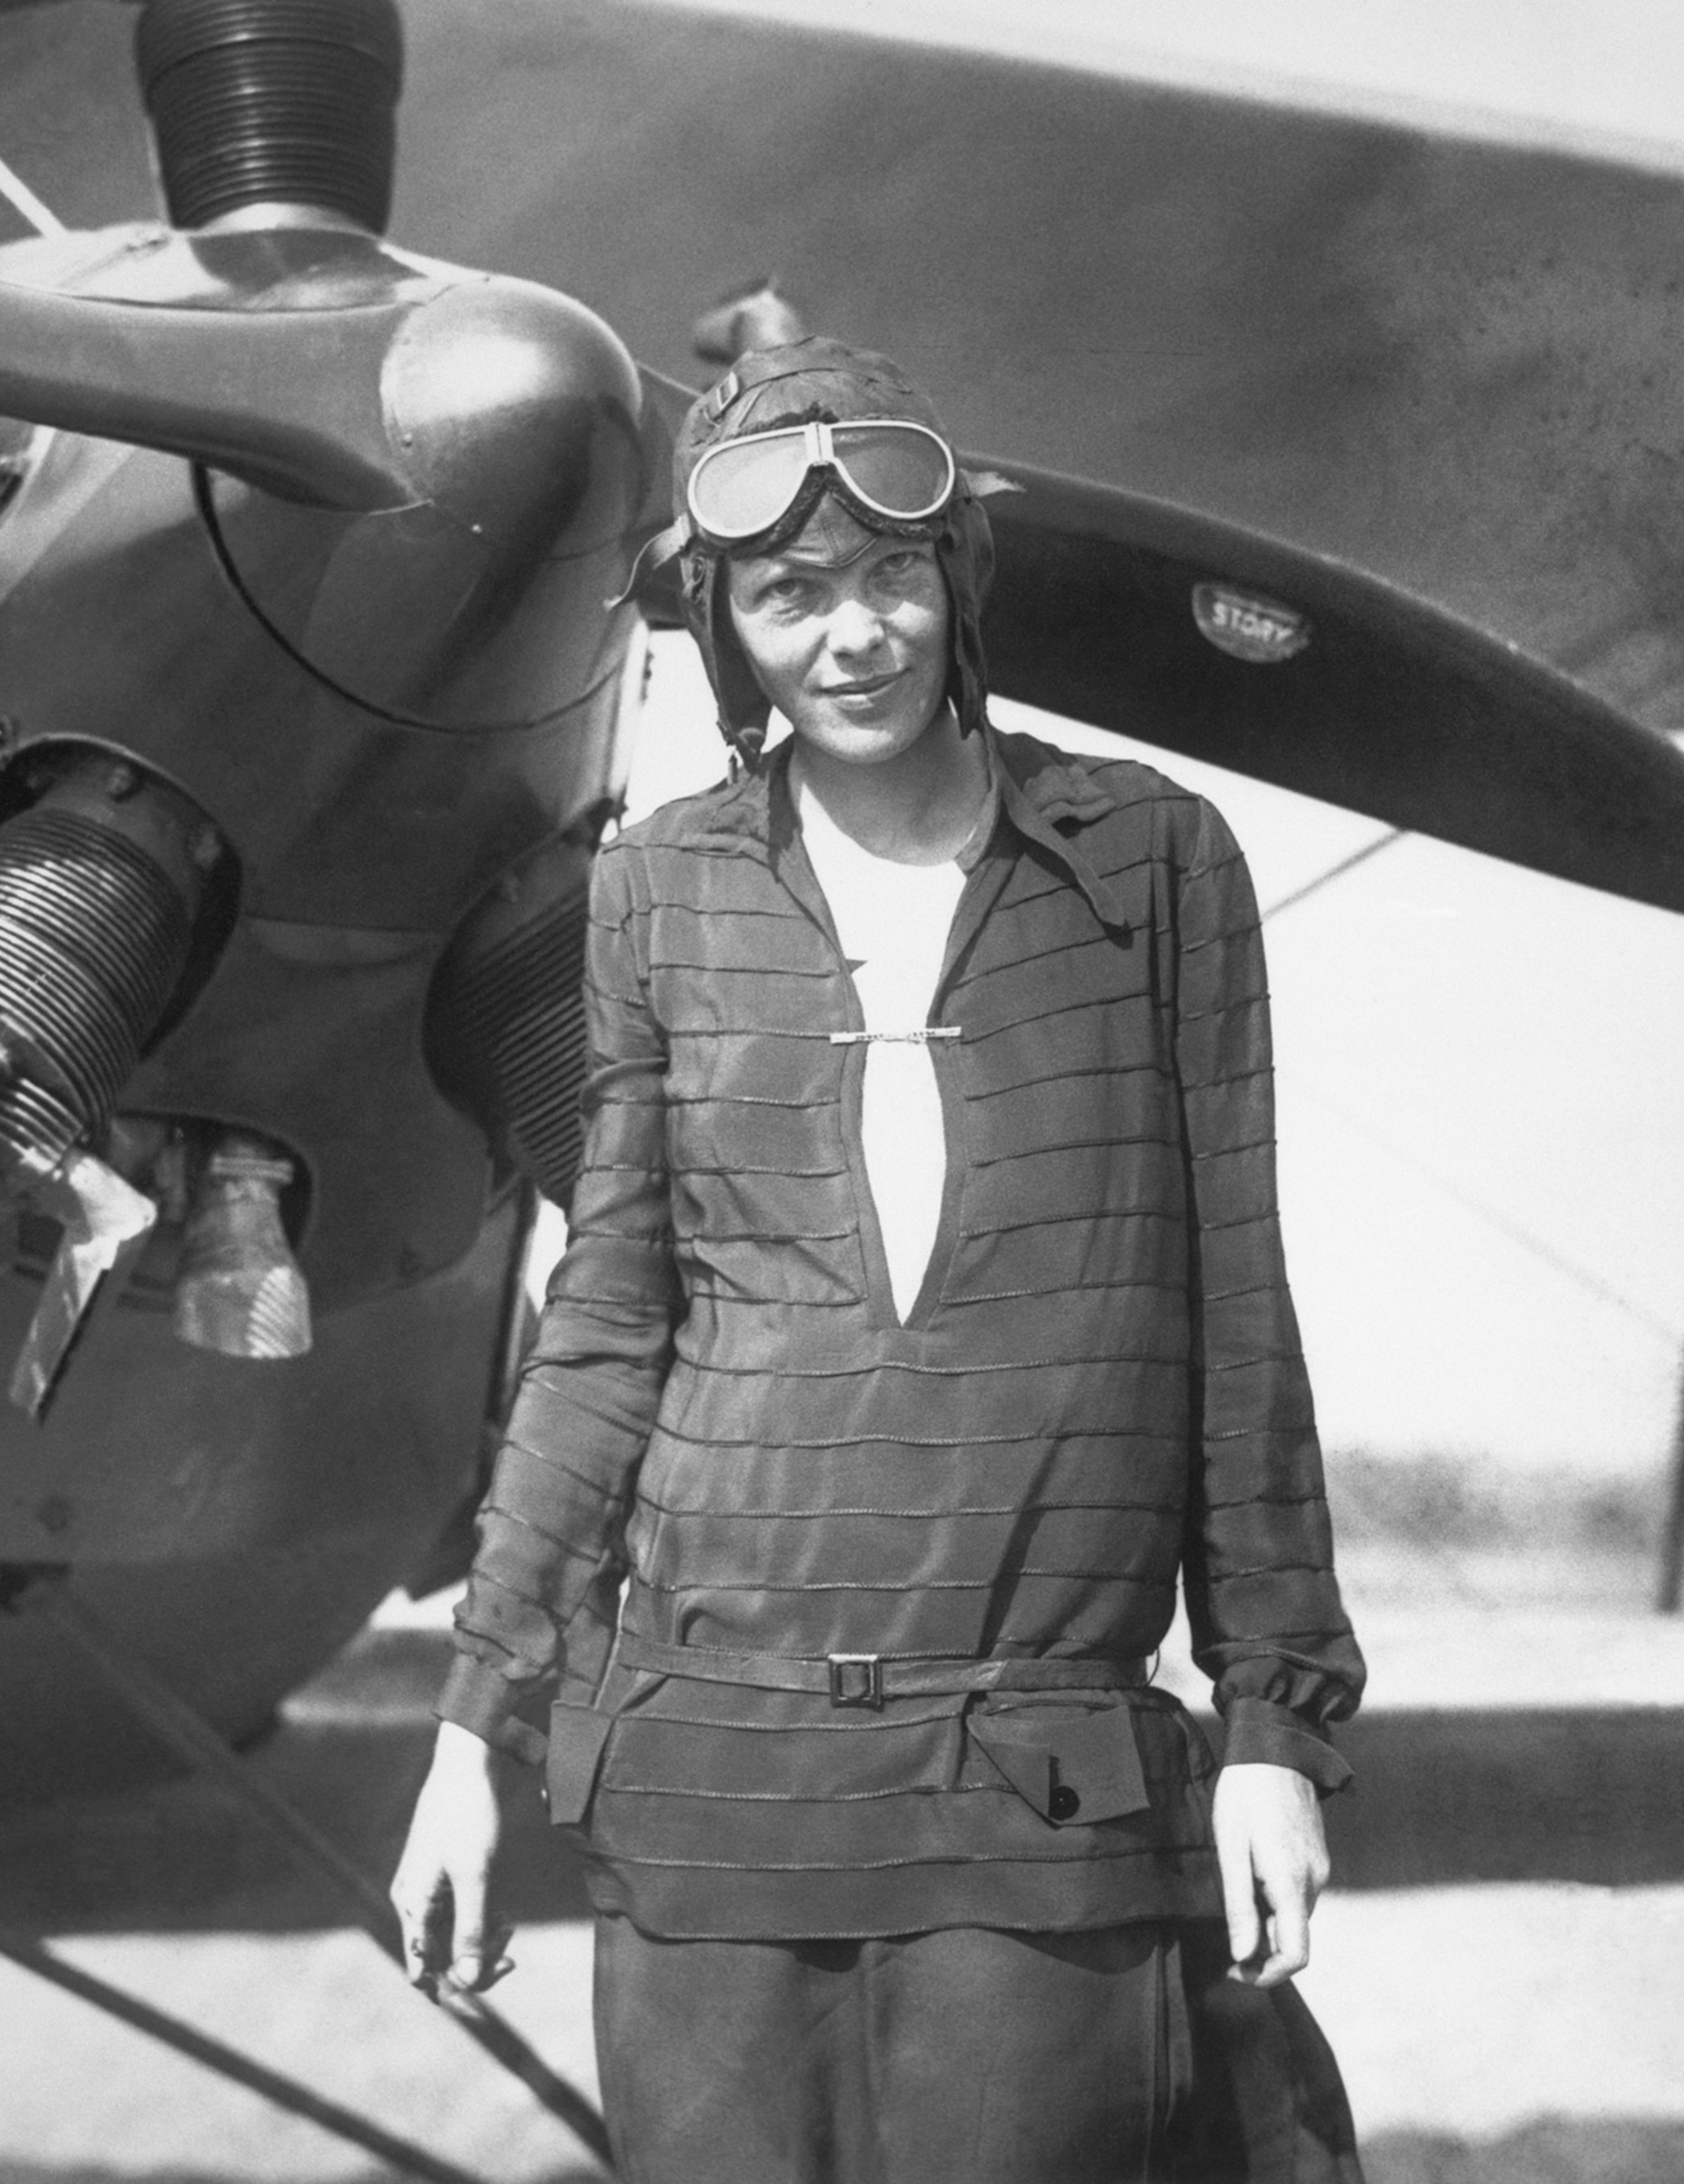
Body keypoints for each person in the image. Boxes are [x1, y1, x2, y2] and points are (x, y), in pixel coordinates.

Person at [391, 337, 1365, 2183]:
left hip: (1036, 1777)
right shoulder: (656, 893)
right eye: (788, 594)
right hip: (708, 1795)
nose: (852, 636)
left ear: (956, 584)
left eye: (891, 578)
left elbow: (1241, 1307)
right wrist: (468, 1733)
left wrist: (1271, 1729)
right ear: (724, 624)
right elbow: (604, 1332)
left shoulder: (1154, 864)